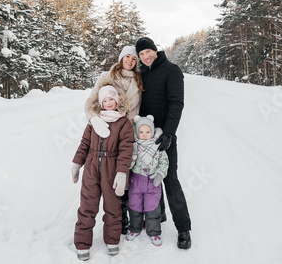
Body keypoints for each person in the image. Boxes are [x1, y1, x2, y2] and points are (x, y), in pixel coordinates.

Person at [135, 36, 192, 249]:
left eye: (148, 51)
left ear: (155, 50)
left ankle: (184, 229)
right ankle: (159, 214)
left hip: (165, 137)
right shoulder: (141, 74)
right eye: (141, 54)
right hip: (144, 137)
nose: (146, 56)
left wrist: (168, 133)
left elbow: (177, 104)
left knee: (169, 179)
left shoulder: (172, 70)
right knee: (148, 175)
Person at [84, 45, 143, 234]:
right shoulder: (106, 77)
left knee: (124, 172)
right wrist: (95, 122)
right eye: (127, 57)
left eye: (133, 59)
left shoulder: (139, 80)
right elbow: (90, 103)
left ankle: (122, 215)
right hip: (105, 133)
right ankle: (104, 217)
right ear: (121, 58)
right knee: (107, 175)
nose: (130, 61)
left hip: (127, 131)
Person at [71, 85, 134, 261]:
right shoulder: (94, 121)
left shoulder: (123, 123)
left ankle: (112, 240)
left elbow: (126, 149)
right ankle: (82, 244)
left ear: (117, 101)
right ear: (100, 103)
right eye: (104, 100)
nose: (108, 103)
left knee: (113, 206)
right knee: (87, 206)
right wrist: (77, 163)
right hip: (91, 168)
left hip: (112, 169)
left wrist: (122, 173)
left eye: (111, 99)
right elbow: (84, 144)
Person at [126, 115, 169, 246]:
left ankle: (154, 232)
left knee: (152, 208)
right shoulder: (134, 147)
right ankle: (134, 228)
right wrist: (131, 159)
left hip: (152, 182)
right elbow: (128, 163)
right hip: (136, 182)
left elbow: (164, 162)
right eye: (141, 132)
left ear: (152, 132)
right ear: (137, 132)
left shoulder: (158, 147)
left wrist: (160, 174)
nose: (144, 135)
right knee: (134, 206)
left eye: (147, 132)